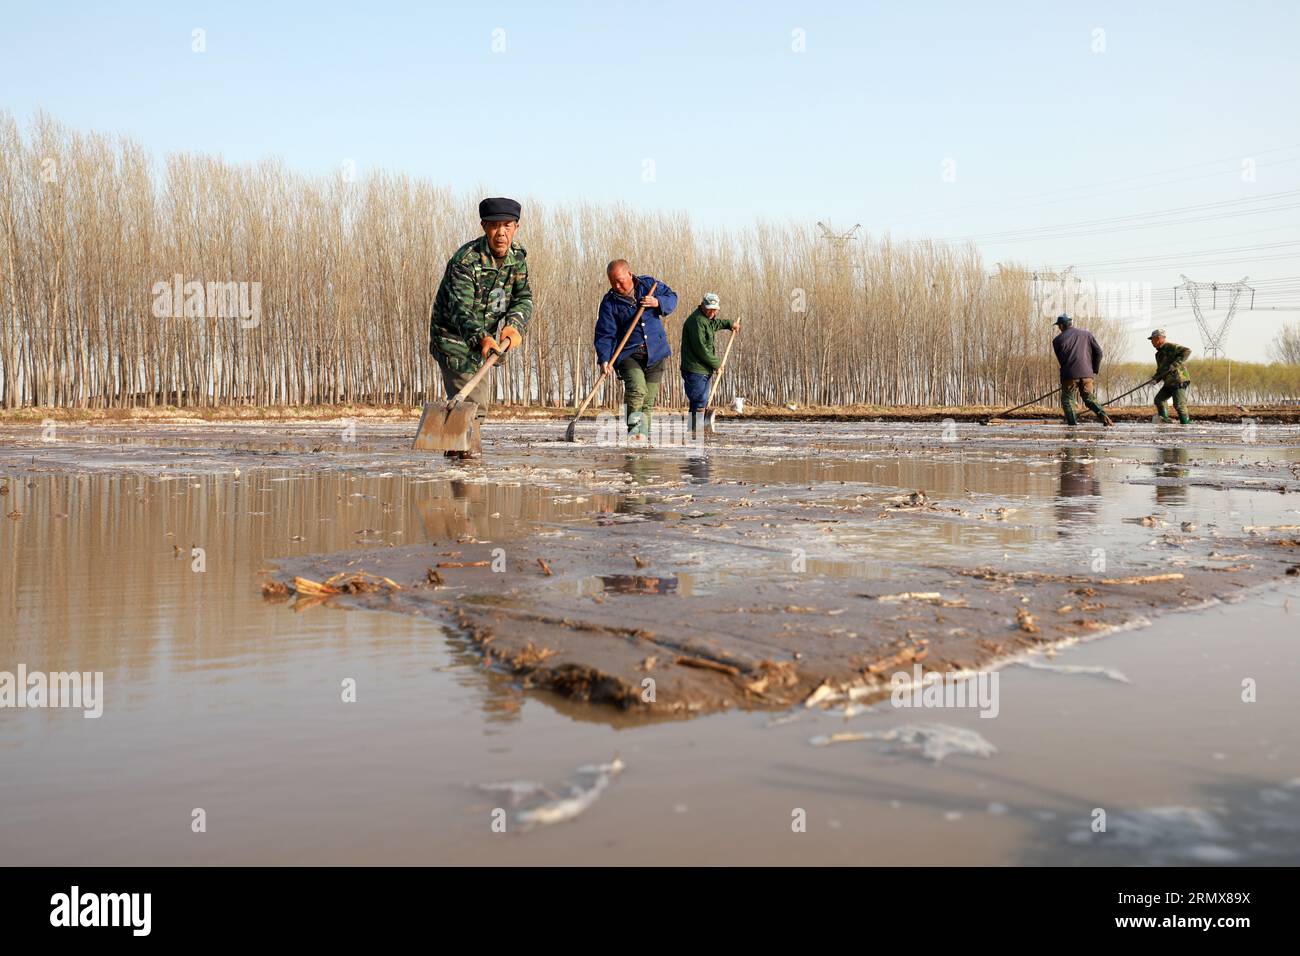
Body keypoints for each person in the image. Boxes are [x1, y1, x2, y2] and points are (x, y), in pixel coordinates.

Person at [428, 197, 533, 459]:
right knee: (472, 404)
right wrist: (482, 338)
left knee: (478, 404)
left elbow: (523, 297)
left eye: (507, 226)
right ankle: (466, 463)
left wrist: (513, 325)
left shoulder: (517, 258)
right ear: (484, 227)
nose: (501, 233)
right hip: (453, 337)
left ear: (516, 228)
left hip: (487, 341)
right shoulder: (466, 261)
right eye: (495, 226)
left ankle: (457, 455)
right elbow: (461, 310)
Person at [594, 260, 678, 442]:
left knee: (648, 399)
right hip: (628, 354)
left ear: (629, 274)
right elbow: (605, 333)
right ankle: (634, 433)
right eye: (612, 282)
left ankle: (643, 436)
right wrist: (604, 359)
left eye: (620, 280)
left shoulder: (648, 285)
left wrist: (658, 302)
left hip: (656, 352)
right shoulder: (610, 302)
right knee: (637, 390)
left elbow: (672, 298)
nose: (617, 286)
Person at [679, 293, 739, 434]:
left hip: (704, 369)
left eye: (714, 309)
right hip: (694, 369)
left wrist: (730, 324)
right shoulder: (697, 322)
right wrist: (717, 364)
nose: (712, 312)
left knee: (701, 401)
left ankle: (695, 430)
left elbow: (715, 324)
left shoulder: (707, 319)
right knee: (699, 400)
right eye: (709, 309)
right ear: (703, 306)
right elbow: (701, 348)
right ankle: (697, 431)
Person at [1051, 315, 1114, 427]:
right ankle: (1106, 420)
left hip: (1069, 375)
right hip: (1087, 374)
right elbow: (1099, 353)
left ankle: (1073, 425)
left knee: (1068, 400)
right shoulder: (1087, 334)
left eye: (1058, 326)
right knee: (1089, 398)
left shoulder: (1057, 341)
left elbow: (1061, 360)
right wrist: (1093, 370)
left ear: (1061, 326)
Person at [1148, 329, 1192, 424]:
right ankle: (1165, 421)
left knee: (1179, 405)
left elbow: (1187, 351)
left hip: (1178, 380)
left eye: (1153, 339)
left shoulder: (1170, 347)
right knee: (1159, 400)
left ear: (1159, 338)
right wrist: (1155, 379)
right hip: (1169, 382)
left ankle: (1186, 424)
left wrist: (1174, 364)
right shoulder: (1158, 354)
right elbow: (1161, 370)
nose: (1151, 342)